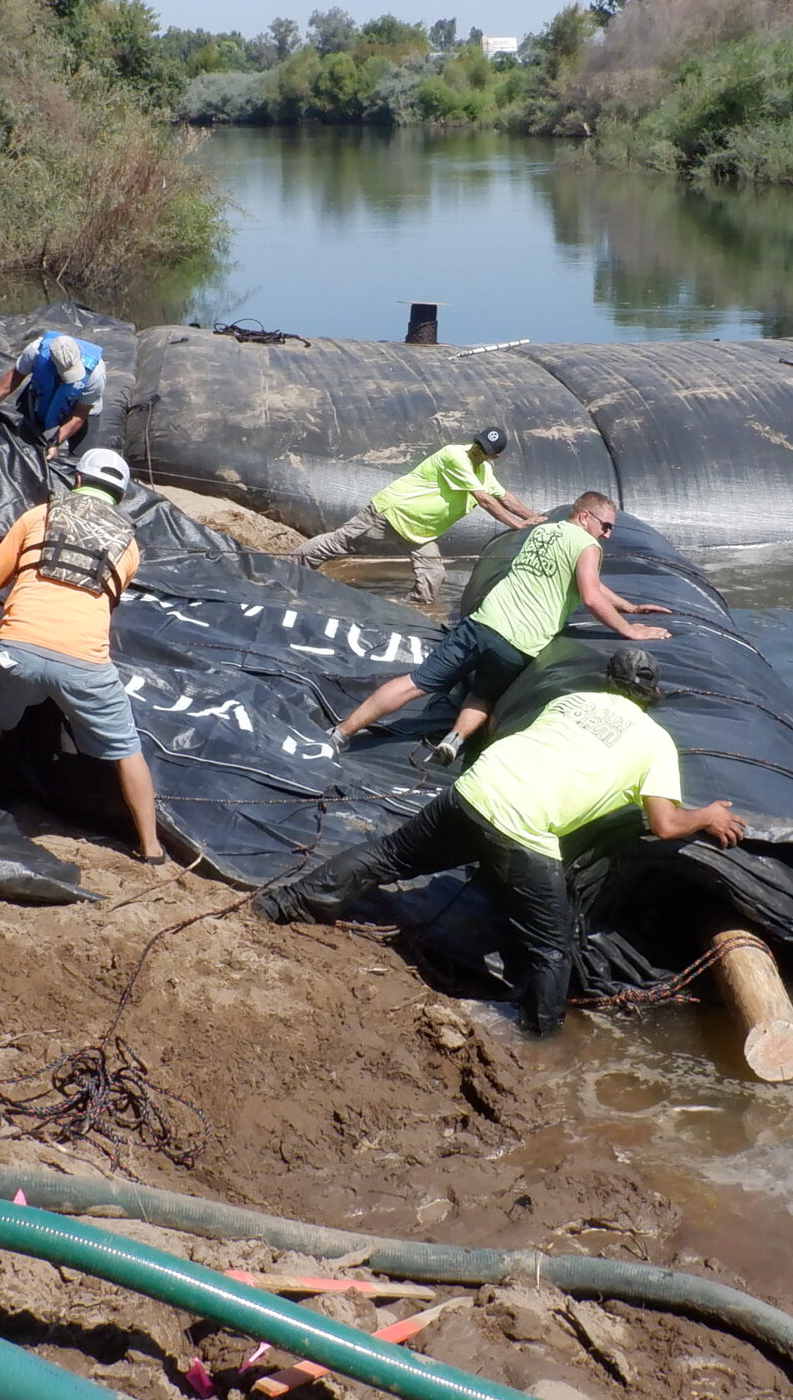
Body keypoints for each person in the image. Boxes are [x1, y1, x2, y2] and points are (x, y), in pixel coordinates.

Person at [255, 649, 742, 1036]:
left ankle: (280, 905)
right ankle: (539, 1040)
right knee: (551, 947)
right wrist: (706, 816)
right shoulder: (655, 742)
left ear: (606, 680)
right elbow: (664, 824)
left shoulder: (568, 701)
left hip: (471, 793)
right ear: (650, 693)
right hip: (523, 832)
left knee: (388, 856)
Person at [0, 448, 166, 862]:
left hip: (19, 650)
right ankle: (151, 847)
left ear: (78, 482)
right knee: (126, 747)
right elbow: (105, 606)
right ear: (119, 497)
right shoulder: (130, 547)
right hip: (84, 662)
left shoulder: (39, 516)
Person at [330, 491, 672, 761]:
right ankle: (456, 739)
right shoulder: (587, 544)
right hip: (518, 644)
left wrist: (627, 604)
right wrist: (630, 629)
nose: (608, 534)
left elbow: (592, 586)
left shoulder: (543, 531)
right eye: (605, 526)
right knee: (484, 694)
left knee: (416, 683)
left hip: (482, 623)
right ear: (585, 516)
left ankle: (342, 733)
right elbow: (591, 596)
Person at [292, 428, 536, 606]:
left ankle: (408, 608)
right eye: (478, 444)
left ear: (495, 457)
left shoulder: (485, 471)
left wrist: (533, 518)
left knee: (433, 576)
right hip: (389, 514)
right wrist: (517, 525)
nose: (478, 450)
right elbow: (485, 500)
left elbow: (504, 496)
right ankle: (287, 572)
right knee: (338, 543)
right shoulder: (455, 455)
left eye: (485, 450)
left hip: (420, 531)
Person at [0, 328, 105, 456]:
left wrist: (55, 442)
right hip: (42, 394)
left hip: (80, 406)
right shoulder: (36, 351)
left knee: (83, 458)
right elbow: (16, 375)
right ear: (52, 362)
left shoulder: (95, 373)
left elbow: (79, 415)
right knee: (21, 443)